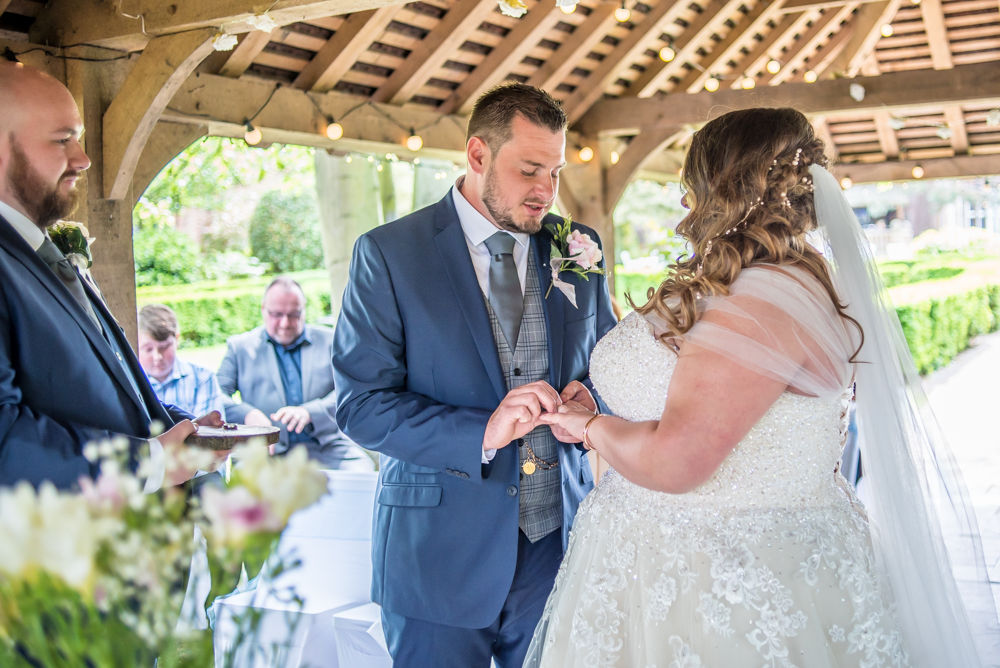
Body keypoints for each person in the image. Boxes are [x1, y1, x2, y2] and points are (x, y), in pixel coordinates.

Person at [525, 108, 997, 666]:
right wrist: (603, 399)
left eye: (691, 186)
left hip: (723, 581)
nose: (684, 204)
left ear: (723, 188)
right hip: (677, 557)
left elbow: (679, 461)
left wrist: (590, 427)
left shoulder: (761, 302)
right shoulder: (769, 280)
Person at [331, 82, 617, 667]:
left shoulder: (576, 247)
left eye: (556, 173)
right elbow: (360, 405)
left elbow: (611, 368)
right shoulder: (390, 253)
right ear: (478, 155)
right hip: (436, 557)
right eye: (530, 169)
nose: (546, 192)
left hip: (557, 549)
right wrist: (482, 431)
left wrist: (593, 401)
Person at [0, 62, 219, 490]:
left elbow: (87, 392)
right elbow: (6, 441)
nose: (82, 160)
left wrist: (180, 431)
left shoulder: (40, 249)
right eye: (63, 140)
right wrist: (151, 462)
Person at [217, 276, 371, 470]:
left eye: (294, 314)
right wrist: (248, 414)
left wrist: (311, 411)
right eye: (277, 314)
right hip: (266, 452)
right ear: (263, 309)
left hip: (327, 447)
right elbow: (216, 395)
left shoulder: (331, 341)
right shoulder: (239, 348)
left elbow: (354, 390)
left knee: (362, 475)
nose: (285, 323)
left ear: (304, 310)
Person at [138, 303, 225, 418]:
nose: (157, 356)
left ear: (177, 340)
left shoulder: (202, 378)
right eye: (148, 349)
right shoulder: (132, 383)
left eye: (164, 347)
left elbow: (210, 430)